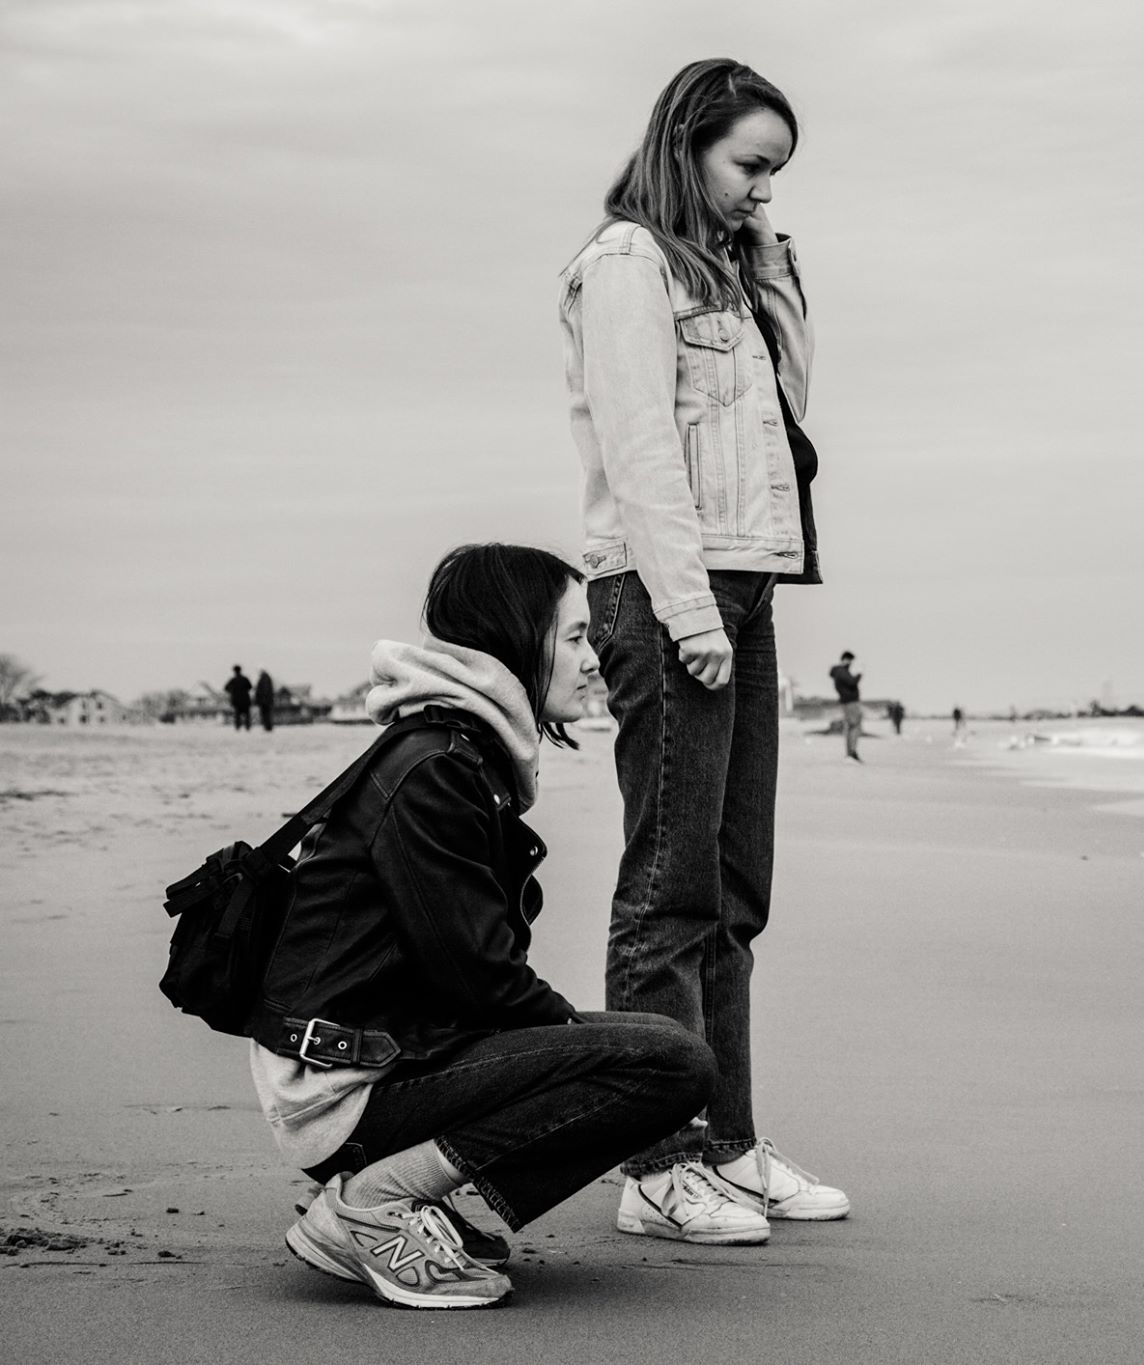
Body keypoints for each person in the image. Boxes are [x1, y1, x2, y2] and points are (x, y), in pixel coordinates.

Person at [255, 543, 716, 1309]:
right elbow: (478, 973)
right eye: (575, 636)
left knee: (643, 1041)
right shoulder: (436, 767)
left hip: (379, 1053)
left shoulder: (455, 752)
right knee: (668, 1062)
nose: (593, 659)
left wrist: (570, 1040)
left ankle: (400, 1190)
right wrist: (575, 1046)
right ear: (515, 636)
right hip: (344, 1086)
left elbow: (466, 974)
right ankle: (376, 1201)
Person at [561, 57, 848, 1246]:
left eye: (777, 173)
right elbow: (640, 453)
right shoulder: (627, 266)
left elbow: (790, 401)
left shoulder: (723, 272)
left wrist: (768, 262)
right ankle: (655, 1165)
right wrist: (687, 615)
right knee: (669, 889)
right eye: (749, 167)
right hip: (664, 587)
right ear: (686, 144)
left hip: (745, 581)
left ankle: (725, 1145)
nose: (763, 192)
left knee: (733, 891)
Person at [829, 651, 862, 762]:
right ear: (845, 659)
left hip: (847, 701)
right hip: (850, 702)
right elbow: (852, 682)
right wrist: (859, 674)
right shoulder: (841, 671)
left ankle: (850, 753)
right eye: (850, 660)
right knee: (854, 726)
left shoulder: (839, 671)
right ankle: (852, 752)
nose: (851, 663)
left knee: (850, 726)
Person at [225, 665, 253, 731]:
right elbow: (250, 687)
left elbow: (226, 688)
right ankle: (247, 727)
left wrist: (232, 691)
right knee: (247, 714)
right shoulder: (245, 679)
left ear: (234, 671)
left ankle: (238, 727)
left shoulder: (233, 680)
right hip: (245, 700)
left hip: (236, 701)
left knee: (237, 715)